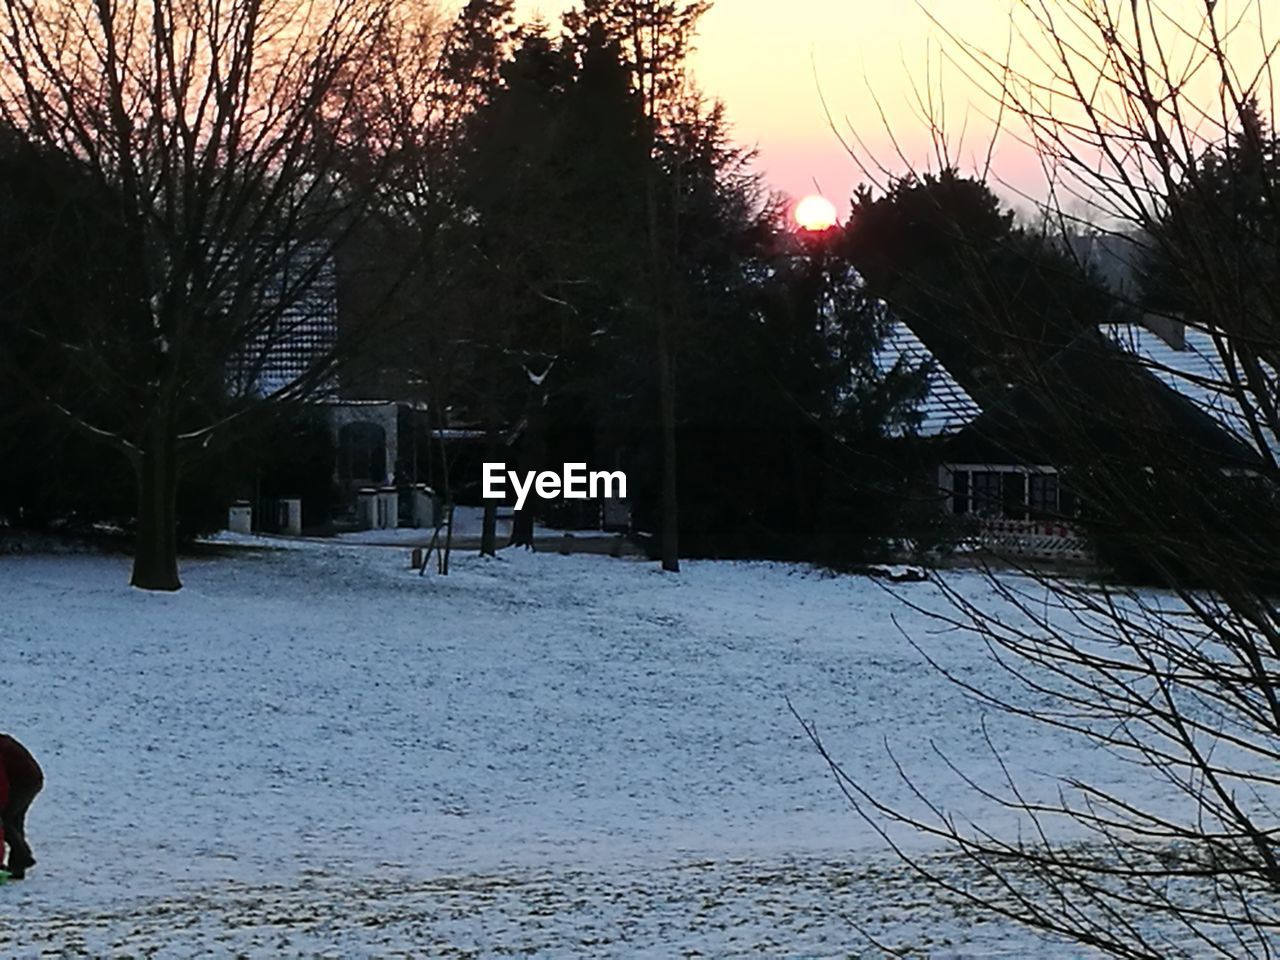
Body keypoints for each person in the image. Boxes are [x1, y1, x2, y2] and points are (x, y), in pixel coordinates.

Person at [0, 734, 43, 879]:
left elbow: (2, 783)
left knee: (5, 820)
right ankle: (17, 869)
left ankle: (23, 856)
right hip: (29, 779)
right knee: (15, 822)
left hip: (25, 784)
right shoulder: (4, 742)